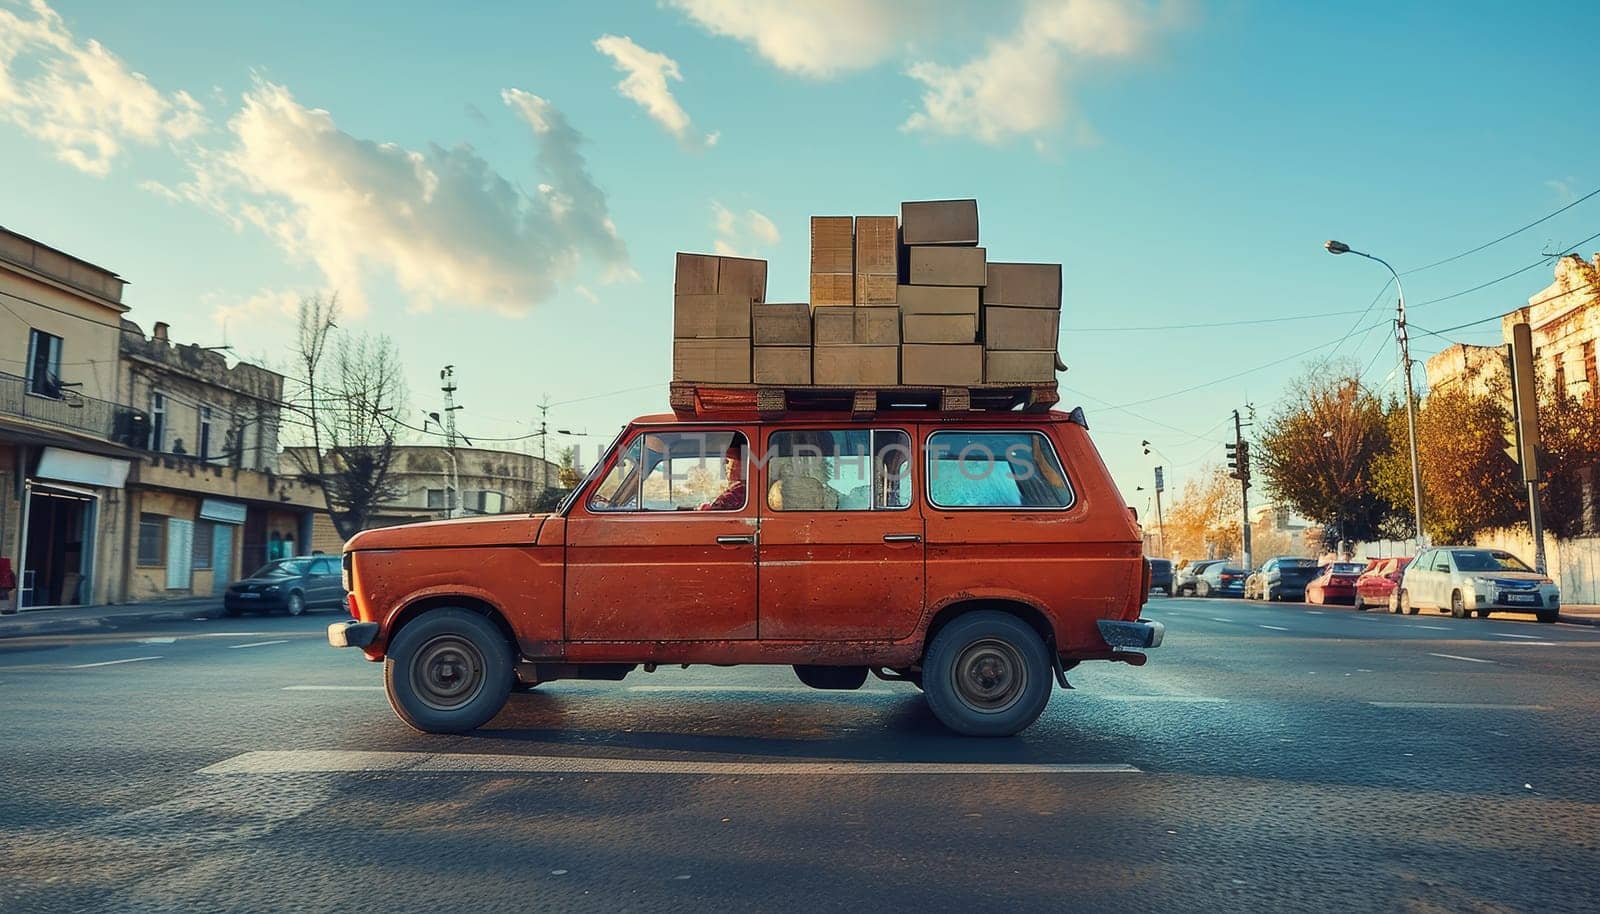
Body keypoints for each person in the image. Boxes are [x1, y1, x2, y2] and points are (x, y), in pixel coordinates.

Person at [698, 439, 747, 511]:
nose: (724, 464)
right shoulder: (741, 489)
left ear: (743, 464)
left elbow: (713, 511)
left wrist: (704, 508)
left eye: (728, 461)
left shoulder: (739, 491)